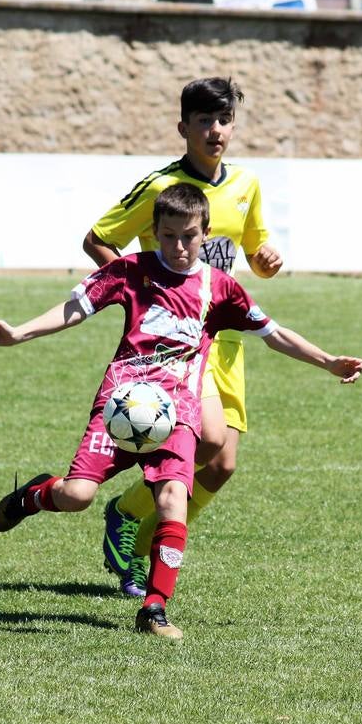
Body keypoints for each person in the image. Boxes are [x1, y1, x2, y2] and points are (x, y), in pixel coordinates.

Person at [0, 184, 362, 641]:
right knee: (77, 497)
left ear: (206, 233)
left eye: (188, 236)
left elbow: (274, 333)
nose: (178, 247)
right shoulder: (130, 271)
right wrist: (18, 334)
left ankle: (154, 608)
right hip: (120, 406)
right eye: (167, 236)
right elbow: (75, 308)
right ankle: (32, 496)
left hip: (177, 413)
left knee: (171, 501)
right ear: (155, 233)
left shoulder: (219, 287)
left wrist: (327, 361)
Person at [81, 77, 284, 599]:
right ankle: (141, 551)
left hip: (225, 345)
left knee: (222, 465)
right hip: (173, 351)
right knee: (198, 451)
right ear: (183, 128)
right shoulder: (159, 188)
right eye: (203, 122)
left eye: (223, 121)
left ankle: (128, 515)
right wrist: (143, 294)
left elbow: (254, 251)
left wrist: (266, 261)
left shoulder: (246, 185)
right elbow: (99, 239)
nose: (215, 131)